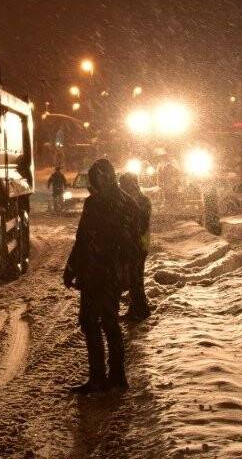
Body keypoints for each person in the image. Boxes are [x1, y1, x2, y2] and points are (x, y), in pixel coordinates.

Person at [63, 158, 140, 393]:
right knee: (110, 322)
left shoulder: (95, 204)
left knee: (90, 321)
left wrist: (72, 268)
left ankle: (98, 377)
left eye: (94, 179)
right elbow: (133, 243)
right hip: (113, 273)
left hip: (95, 272)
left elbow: (83, 239)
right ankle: (117, 375)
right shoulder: (129, 204)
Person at [119, 171, 153, 321]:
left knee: (135, 278)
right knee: (134, 278)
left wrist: (132, 237)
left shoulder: (141, 200)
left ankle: (140, 310)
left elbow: (142, 224)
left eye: (124, 185)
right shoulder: (136, 200)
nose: (122, 188)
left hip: (138, 245)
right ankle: (136, 308)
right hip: (134, 245)